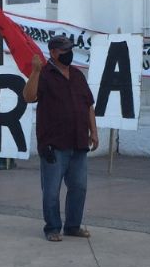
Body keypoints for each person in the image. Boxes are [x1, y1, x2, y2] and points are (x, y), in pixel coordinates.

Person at [24, 34, 98, 242]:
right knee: (51, 190)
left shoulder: (77, 75)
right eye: (65, 51)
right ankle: (53, 227)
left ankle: (73, 226)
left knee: (79, 186)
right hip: (54, 144)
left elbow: (88, 104)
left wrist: (94, 130)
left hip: (79, 141)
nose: (69, 54)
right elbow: (28, 97)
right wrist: (35, 71)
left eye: (70, 50)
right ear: (54, 53)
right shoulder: (44, 74)